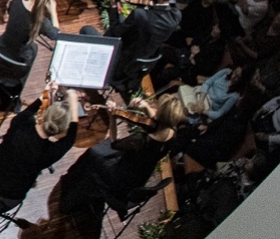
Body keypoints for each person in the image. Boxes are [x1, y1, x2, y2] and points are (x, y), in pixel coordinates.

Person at [59, 93, 188, 220]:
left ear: (160, 114)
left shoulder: (140, 141)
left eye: (157, 107)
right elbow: (156, 120)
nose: (154, 107)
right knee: (98, 153)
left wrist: (112, 118)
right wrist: (143, 106)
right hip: (138, 177)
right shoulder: (171, 133)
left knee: (93, 153)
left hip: (119, 178)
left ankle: (72, 198)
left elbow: (114, 142)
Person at [79, 0, 182, 92]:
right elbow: (154, 5)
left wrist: (113, 5)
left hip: (119, 63)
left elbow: (115, 32)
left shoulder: (140, 15)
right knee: (125, 22)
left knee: (86, 30)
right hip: (137, 66)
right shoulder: (176, 15)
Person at [0, 85, 79, 203]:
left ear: (43, 115)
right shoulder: (50, 153)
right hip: (10, 193)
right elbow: (70, 140)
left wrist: (47, 93)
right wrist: (74, 108)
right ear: (61, 131)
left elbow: (31, 110)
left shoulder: (20, 123)